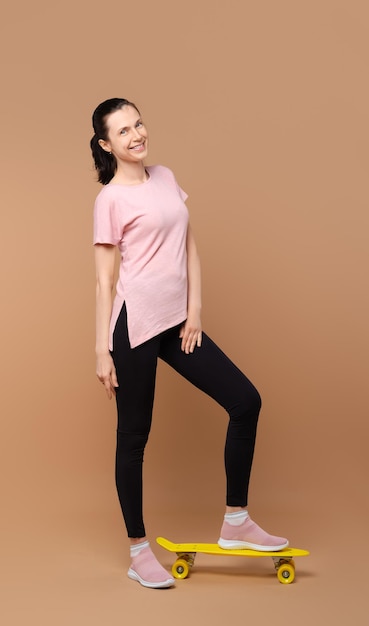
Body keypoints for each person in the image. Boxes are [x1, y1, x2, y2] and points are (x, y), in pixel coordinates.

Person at [90, 98, 288, 589]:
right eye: (123, 131)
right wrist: (100, 349)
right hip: (134, 328)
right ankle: (139, 550)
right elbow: (104, 281)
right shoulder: (110, 200)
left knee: (245, 401)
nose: (136, 135)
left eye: (138, 123)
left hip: (178, 322)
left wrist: (194, 311)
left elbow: (189, 246)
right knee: (134, 439)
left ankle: (236, 521)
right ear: (106, 145)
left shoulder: (164, 176)